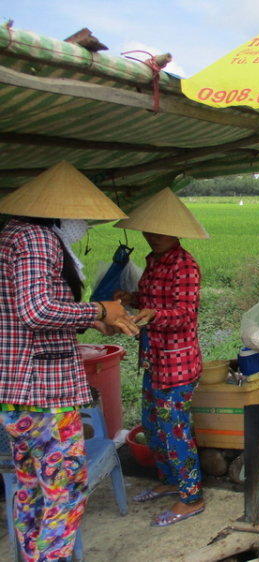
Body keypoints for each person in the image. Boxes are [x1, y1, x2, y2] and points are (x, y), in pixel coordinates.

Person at [0, 161, 138, 562]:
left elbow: (28, 312)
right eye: (79, 216)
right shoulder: (38, 239)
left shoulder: (10, 234)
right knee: (65, 489)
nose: (82, 225)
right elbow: (37, 310)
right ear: (58, 213)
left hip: (17, 391)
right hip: (43, 391)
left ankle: (33, 556)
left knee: (31, 488)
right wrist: (97, 308)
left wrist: (97, 319)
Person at [112, 187, 210, 527]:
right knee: (153, 426)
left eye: (160, 230)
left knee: (176, 431)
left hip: (179, 365)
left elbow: (184, 313)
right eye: (148, 229)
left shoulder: (185, 265)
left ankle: (192, 496)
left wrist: (153, 314)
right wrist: (134, 297)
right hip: (154, 360)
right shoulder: (154, 262)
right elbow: (154, 297)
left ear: (176, 232)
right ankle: (170, 480)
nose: (152, 235)